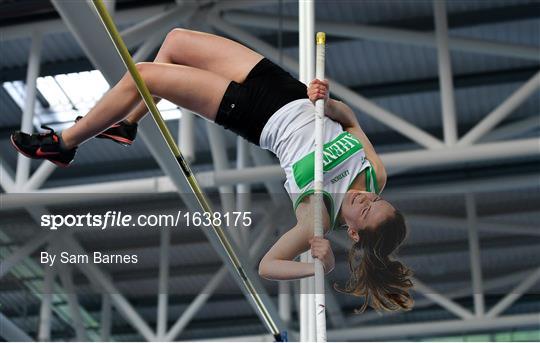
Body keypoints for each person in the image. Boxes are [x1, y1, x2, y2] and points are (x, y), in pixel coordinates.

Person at [11, 29, 413, 312]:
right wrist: (329, 100)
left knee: (145, 75)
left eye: (364, 209)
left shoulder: (316, 218)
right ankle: (127, 123)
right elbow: (352, 123)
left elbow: (267, 266)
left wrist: (316, 267)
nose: (366, 197)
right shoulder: (375, 174)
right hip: (285, 89)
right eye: (376, 199)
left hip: (255, 115)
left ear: (355, 232)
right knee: (175, 42)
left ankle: (64, 145)